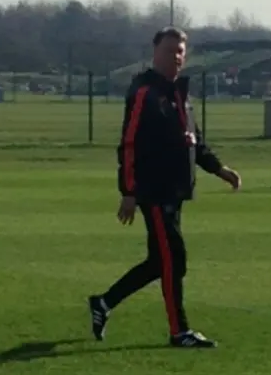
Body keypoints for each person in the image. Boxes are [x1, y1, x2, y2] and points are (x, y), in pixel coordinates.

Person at [88, 26, 242, 349]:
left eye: (180, 51)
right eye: (170, 50)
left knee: (161, 262)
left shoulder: (180, 96)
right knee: (174, 259)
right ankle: (179, 331)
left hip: (175, 191)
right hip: (154, 192)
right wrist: (128, 191)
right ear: (155, 52)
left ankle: (103, 303)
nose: (176, 56)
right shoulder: (145, 93)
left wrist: (220, 170)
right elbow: (128, 144)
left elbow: (195, 144)